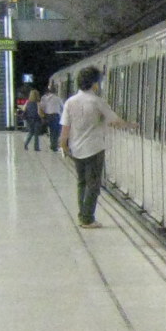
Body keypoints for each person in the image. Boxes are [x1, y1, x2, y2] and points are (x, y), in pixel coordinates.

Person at [60, 65, 132, 227]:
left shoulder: (70, 102)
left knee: (82, 183)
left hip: (76, 149)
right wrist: (131, 125)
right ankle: (87, 218)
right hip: (94, 148)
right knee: (93, 185)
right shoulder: (97, 102)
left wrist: (63, 145)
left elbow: (65, 128)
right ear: (93, 83)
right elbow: (115, 121)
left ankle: (82, 215)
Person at [40, 84, 64, 149]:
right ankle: (54, 146)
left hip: (48, 116)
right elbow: (63, 107)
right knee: (56, 131)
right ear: (55, 92)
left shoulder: (44, 98)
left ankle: (52, 144)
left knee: (51, 131)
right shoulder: (58, 98)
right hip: (56, 116)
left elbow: (42, 107)